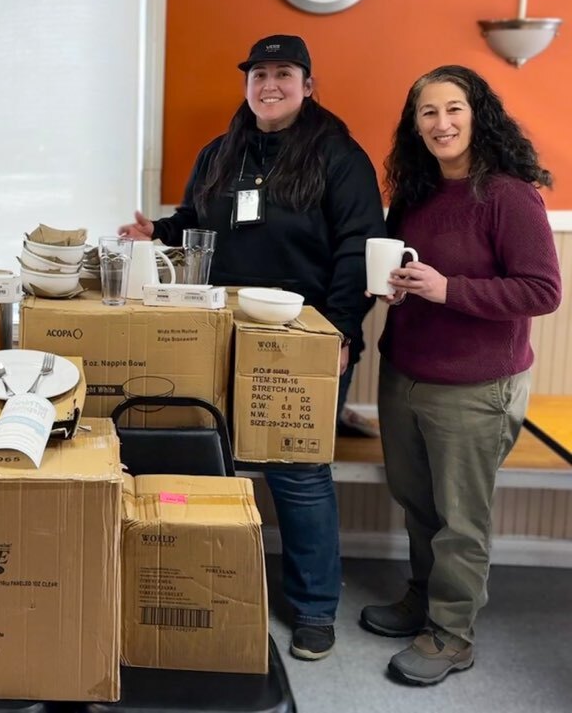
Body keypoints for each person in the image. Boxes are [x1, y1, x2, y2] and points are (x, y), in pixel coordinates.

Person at [119, 35, 386, 660]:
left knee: (296, 470)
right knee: (207, 452)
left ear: (308, 84)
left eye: (284, 74)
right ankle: (204, 586)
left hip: (305, 334)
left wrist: (341, 331)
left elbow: (358, 246)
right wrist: (155, 231)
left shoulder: (340, 157)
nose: (270, 84)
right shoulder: (222, 152)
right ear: (247, 84)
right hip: (219, 326)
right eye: (259, 74)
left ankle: (315, 607)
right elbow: (197, 220)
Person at [361, 65, 561, 685]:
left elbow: (543, 290)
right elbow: (406, 268)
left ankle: (452, 634)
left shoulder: (508, 194)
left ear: (478, 115)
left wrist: (449, 290)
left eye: (454, 109)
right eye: (427, 112)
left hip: (476, 386)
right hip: (406, 373)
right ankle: (424, 601)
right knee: (420, 504)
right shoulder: (418, 194)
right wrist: (398, 291)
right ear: (414, 124)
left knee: (461, 519)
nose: (441, 123)